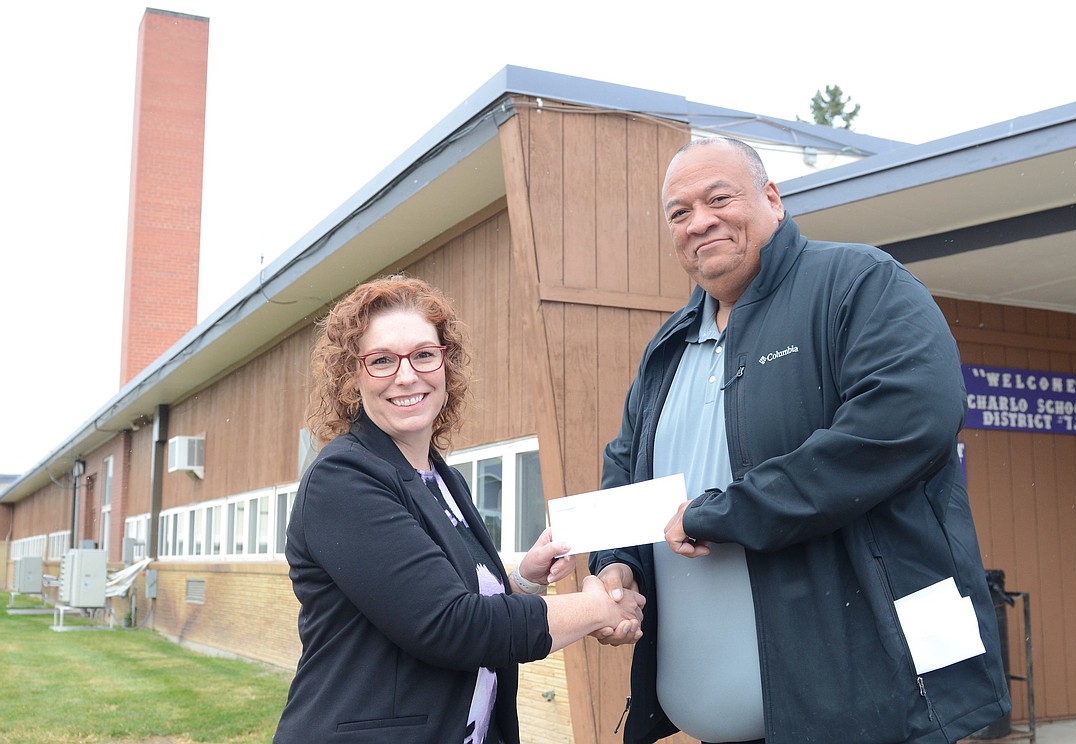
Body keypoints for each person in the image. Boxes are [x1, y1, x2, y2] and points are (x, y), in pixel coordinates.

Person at [589, 138, 1010, 744]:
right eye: (679, 213)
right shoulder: (670, 346)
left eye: (718, 198)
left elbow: (908, 417)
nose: (699, 221)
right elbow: (626, 467)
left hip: (868, 714)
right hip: (709, 726)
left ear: (771, 199)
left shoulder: (858, 284)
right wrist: (615, 563)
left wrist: (731, 512)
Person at [274, 275, 644, 744]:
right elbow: (450, 626)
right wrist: (596, 608)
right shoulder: (343, 480)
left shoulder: (441, 478)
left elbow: (457, 601)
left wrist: (524, 580)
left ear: (445, 365)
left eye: (424, 355)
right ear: (352, 375)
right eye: (382, 361)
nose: (406, 376)